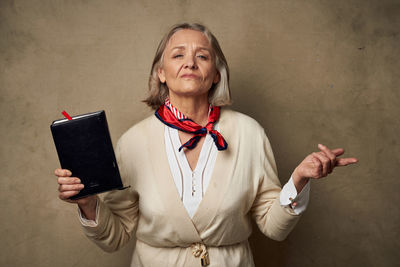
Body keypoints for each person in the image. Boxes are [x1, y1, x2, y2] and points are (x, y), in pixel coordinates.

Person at [55, 23, 358, 266]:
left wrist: (299, 180)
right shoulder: (132, 142)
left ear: (215, 74)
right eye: (177, 55)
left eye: (202, 56)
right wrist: (87, 202)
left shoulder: (250, 133)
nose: (190, 62)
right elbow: (115, 237)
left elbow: (274, 227)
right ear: (160, 73)